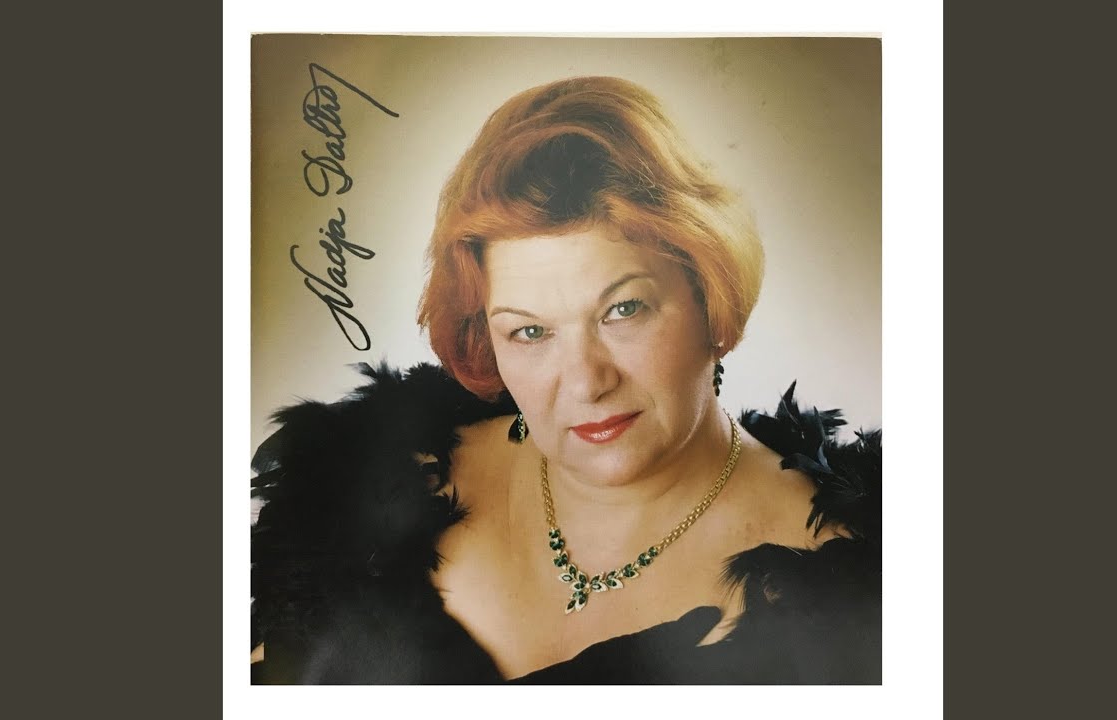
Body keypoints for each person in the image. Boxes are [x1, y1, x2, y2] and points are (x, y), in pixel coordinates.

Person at [250, 76, 881, 684]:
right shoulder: (367, 483)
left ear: (709, 298)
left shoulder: (860, 581)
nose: (585, 382)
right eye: (529, 331)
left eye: (624, 309)